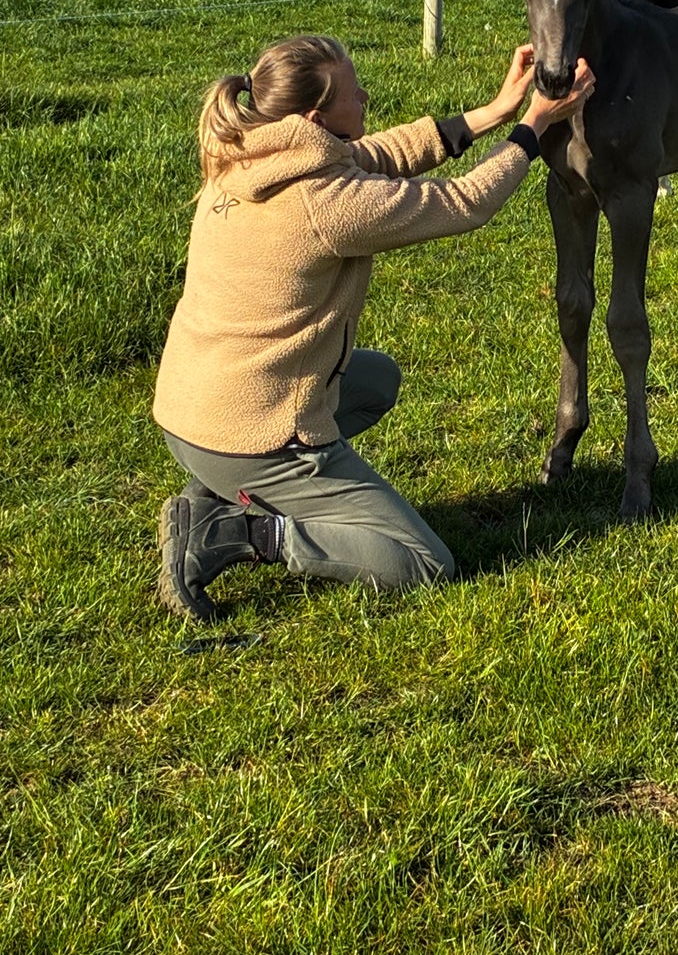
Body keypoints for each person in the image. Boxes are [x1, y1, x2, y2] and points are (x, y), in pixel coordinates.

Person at [153, 32, 594, 622]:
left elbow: (378, 154)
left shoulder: (247, 154)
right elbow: (465, 203)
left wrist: (494, 111)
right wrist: (533, 128)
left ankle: (215, 488)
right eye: (351, 89)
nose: (363, 93)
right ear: (316, 117)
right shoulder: (325, 202)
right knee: (421, 562)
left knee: (375, 380)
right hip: (255, 431)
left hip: (190, 409)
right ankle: (240, 533)